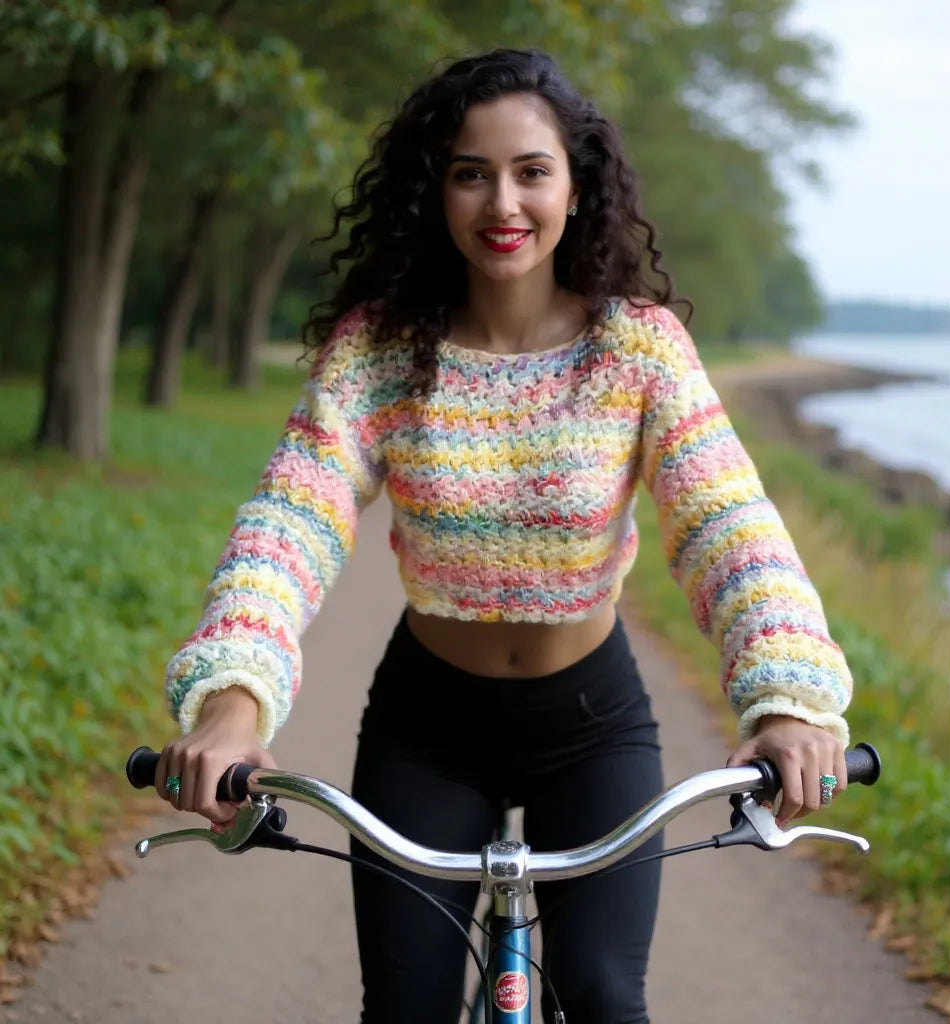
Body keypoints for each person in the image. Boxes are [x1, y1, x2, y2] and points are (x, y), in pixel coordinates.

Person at [155, 48, 853, 1024]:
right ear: (433, 190)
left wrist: (786, 697)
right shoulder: (379, 352)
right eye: (469, 172)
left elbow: (725, 524)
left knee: (607, 995)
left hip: (593, 726)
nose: (502, 202)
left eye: (531, 170)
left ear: (576, 185)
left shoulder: (636, 346)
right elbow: (289, 524)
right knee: (404, 1009)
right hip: (426, 729)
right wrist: (233, 704)